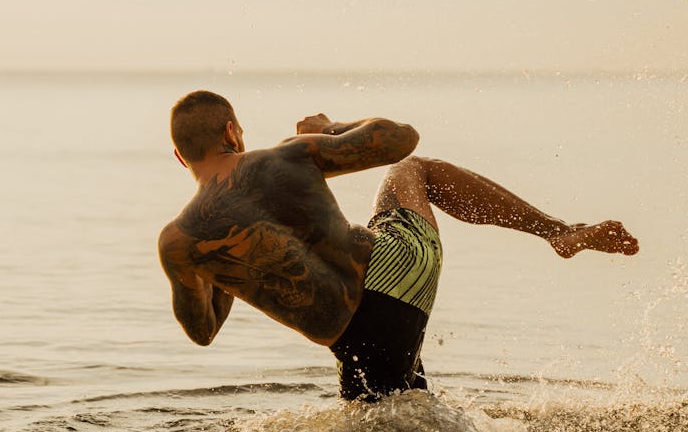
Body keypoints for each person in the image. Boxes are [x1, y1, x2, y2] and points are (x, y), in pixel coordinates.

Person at [158, 90, 639, 400]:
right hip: (395, 271)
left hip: (355, 343)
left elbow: (202, 332)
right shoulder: (287, 155)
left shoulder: (179, 243)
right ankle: (557, 231)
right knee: (414, 171)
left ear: (181, 157)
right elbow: (400, 140)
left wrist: (216, 264)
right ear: (231, 131)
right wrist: (326, 130)